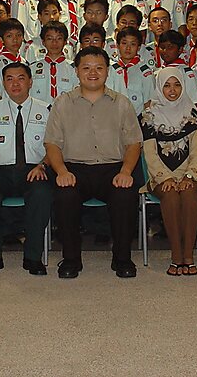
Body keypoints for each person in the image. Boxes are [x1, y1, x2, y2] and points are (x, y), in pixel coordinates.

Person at [45, 47, 143, 279]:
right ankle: (71, 259)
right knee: (65, 195)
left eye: (99, 68)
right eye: (86, 68)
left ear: (107, 71)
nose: (92, 73)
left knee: (125, 195)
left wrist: (126, 171)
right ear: (77, 71)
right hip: (74, 169)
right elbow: (52, 143)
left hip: (113, 168)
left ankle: (122, 258)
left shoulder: (122, 103)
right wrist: (61, 171)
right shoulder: (62, 103)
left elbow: (133, 143)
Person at [0, 62, 53, 275]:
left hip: (34, 170)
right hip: (0, 171)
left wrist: (42, 165)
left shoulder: (46, 110)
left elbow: (54, 146)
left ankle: (33, 257)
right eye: (9, 79)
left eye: (20, 78)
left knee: (42, 193)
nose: (15, 83)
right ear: (3, 83)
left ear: (30, 82)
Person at [140, 67, 197, 276]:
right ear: (159, 87)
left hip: (189, 174)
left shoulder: (192, 113)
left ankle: (188, 256)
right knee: (170, 196)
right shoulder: (148, 115)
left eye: (177, 85)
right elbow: (150, 154)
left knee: (189, 194)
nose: (172, 90)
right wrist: (165, 178)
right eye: (167, 85)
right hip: (160, 176)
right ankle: (176, 255)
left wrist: (189, 176)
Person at [107, 27, 155, 115]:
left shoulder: (145, 73)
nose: (128, 48)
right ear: (118, 45)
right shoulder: (110, 70)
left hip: (137, 118)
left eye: (133, 44)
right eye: (124, 43)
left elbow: (149, 102)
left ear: (139, 47)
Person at [29, 22, 78, 103]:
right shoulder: (32, 69)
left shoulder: (74, 69)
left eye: (59, 38)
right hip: (38, 110)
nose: (54, 43)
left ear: (65, 41)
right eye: (50, 39)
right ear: (43, 42)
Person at [0, 18, 26, 102]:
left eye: (18, 35)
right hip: (5, 108)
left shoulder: (25, 63)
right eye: (9, 36)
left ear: (23, 37)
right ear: (1, 40)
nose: (15, 40)